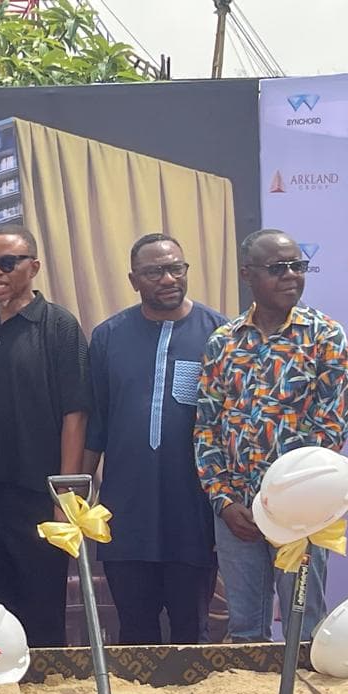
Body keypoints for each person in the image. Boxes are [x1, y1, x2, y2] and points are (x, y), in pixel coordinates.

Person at [195, 229, 348, 642]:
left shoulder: (324, 335)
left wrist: (289, 502)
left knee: (305, 629)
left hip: (301, 512)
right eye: (277, 268)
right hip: (237, 515)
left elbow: (333, 425)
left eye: (298, 267)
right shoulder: (223, 342)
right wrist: (225, 502)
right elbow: (207, 428)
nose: (291, 276)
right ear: (248, 275)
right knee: (245, 630)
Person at [0, 224, 91, 648]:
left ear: (33, 267)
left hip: (39, 497)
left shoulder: (59, 326)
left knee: (42, 612)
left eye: (7, 263)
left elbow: (76, 415)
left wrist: (64, 499)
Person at [83, 233, 226, 644]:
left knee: (190, 631)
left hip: (193, 513)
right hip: (126, 513)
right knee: (134, 630)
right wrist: (77, 497)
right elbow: (97, 423)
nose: (167, 278)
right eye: (153, 271)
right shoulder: (109, 336)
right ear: (133, 280)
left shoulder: (220, 334)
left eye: (175, 268)